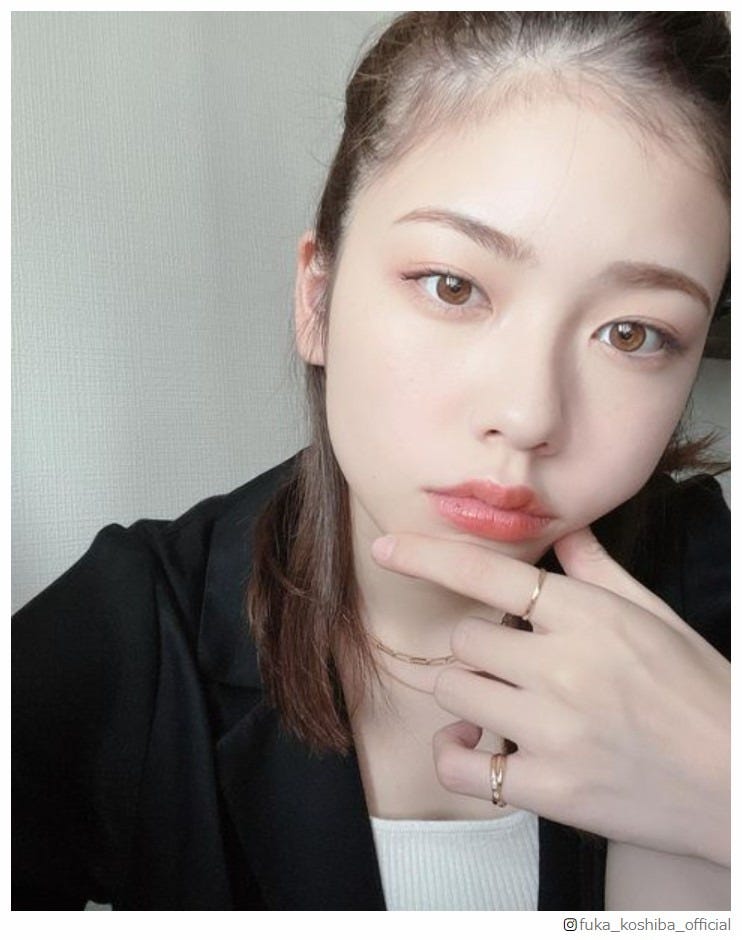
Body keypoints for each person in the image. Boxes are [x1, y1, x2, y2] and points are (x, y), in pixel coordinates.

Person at [13, 11, 730, 911]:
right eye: (453, 286)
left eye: (633, 333)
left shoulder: (716, 589)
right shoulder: (130, 633)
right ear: (317, 301)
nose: (527, 416)